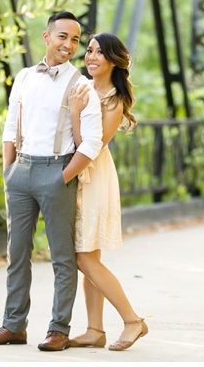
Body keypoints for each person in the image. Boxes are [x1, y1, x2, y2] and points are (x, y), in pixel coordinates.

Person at [0, 11, 103, 352]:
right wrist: (9, 173)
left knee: (62, 257)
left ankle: (58, 329)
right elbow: (10, 127)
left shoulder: (81, 85)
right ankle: (13, 325)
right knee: (16, 252)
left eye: (75, 40)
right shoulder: (25, 77)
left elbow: (90, 143)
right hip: (21, 171)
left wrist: (61, 178)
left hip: (57, 171)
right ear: (47, 37)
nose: (70, 45)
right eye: (63, 36)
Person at [66, 33, 148, 351]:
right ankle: (94, 330)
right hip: (78, 174)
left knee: (84, 257)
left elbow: (91, 145)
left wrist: (74, 112)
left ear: (114, 60)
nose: (91, 57)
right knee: (89, 253)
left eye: (99, 52)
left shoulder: (114, 100)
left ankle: (132, 320)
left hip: (93, 177)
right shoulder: (83, 88)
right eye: (88, 50)